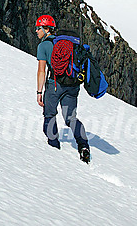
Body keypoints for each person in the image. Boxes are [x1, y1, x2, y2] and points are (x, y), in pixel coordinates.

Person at [35, 14, 91, 163]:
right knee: (70, 118)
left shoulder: (43, 45)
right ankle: (83, 146)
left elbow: (41, 71)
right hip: (73, 84)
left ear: (47, 29)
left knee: (50, 115)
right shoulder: (69, 43)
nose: (36, 31)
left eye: (38, 28)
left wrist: (39, 92)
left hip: (55, 84)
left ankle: (53, 150)